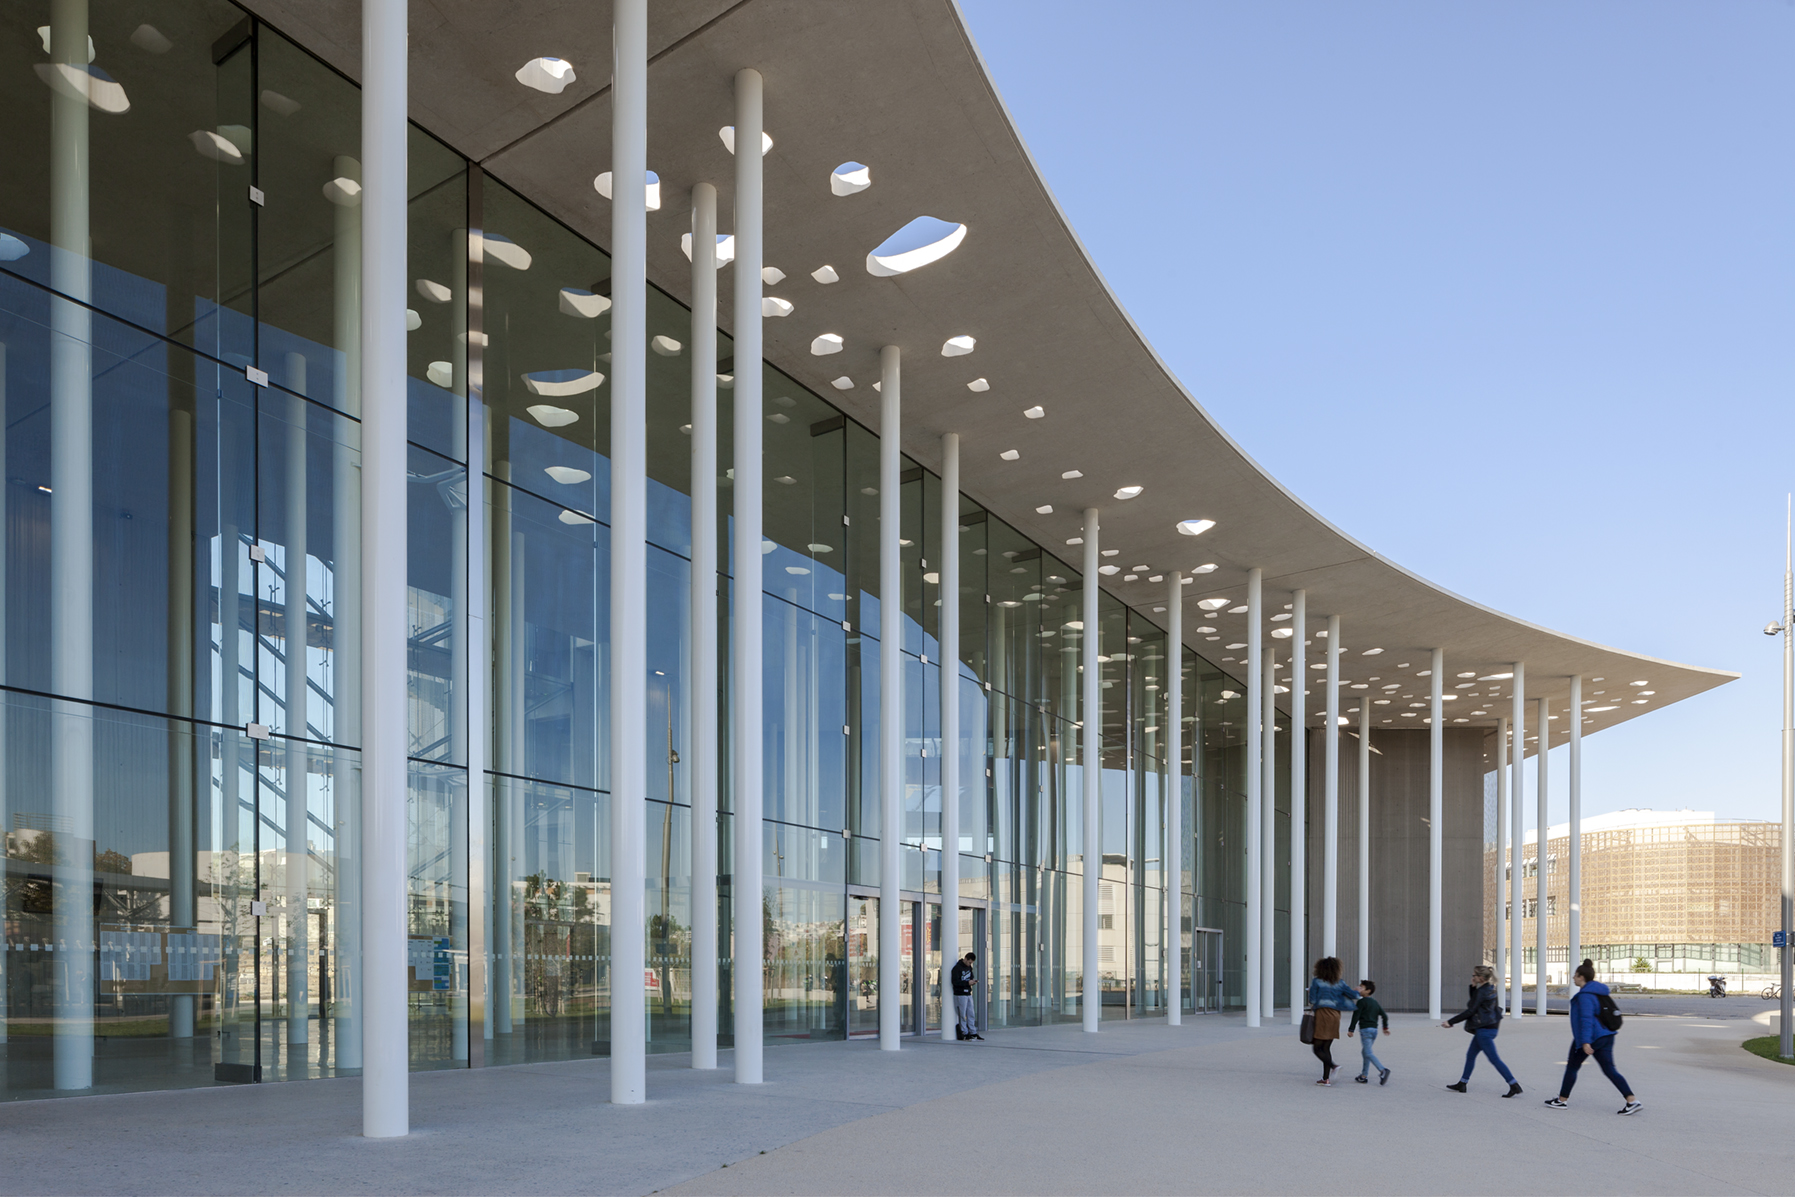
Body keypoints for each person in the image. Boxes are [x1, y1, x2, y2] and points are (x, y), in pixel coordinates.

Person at [1544, 959, 1642, 1115]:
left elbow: (1586, 1019)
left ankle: (1562, 1100)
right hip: (1606, 1035)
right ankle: (1632, 1100)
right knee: (1609, 1069)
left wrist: (1585, 1042)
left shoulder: (1585, 995)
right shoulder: (1598, 990)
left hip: (1591, 1037)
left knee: (1572, 1067)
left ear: (1581, 977)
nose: (1573, 978)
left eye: (1575, 975)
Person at [1442, 964, 1522, 1097]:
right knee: (1470, 1056)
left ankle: (1514, 1084)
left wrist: (1450, 1022)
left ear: (1480, 977)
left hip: (1484, 1030)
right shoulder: (1490, 988)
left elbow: (1470, 1010)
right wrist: (1473, 987)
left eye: (1474, 975)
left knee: (1494, 1059)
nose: (1472, 977)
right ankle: (1462, 1083)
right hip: (1490, 1027)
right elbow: (1475, 1003)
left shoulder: (1482, 992)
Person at [1306, 956, 1359, 1085]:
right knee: (1326, 1048)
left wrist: (1313, 993)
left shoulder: (1317, 981)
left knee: (1317, 1048)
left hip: (1322, 1014)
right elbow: (1354, 995)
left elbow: (1312, 1000)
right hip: (1335, 1015)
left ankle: (1334, 1066)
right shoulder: (1340, 983)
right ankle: (1325, 1079)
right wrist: (1357, 991)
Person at [1347, 978, 1391, 1085]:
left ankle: (1382, 1070)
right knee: (1365, 1052)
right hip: (1374, 1030)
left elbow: (1356, 1016)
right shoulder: (1375, 1003)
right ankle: (1363, 1076)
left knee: (1368, 1053)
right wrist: (1385, 1028)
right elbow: (1384, 1016)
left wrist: (1351, 1029)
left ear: (1368, 991)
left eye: (1361, 987)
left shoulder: (1361, 1002)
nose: (1359, 989)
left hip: (1365, 1030)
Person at [949, 952, 982, 1041]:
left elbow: (971, 976)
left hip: (968, 993)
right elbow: (955, 982)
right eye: (969, 962)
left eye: (971, 963)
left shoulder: (969, 968)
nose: (970, 964)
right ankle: (964, 1032)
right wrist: (967, 983)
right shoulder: (957, 968)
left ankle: (973, 1032)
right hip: (960, 994)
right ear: (965, 959)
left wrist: (972, 982)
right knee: (962, 1014)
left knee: (971, 1014)